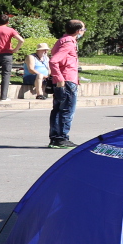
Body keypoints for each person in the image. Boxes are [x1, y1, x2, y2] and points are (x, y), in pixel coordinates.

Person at [46, 19, 86, 149]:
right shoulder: (68, 43)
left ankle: (56, 138)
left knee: (58, 109)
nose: (83, 32)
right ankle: (61, 138)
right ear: (78, 31)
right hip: (67, 81)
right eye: (83, 30)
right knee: (67, 110)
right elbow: (53, 61)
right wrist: (59, 78)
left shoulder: (63, 40)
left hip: (64, 80)